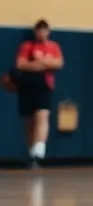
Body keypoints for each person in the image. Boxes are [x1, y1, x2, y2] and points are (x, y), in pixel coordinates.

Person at [13, 20, 63, 167]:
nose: (42, 33)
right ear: (35, 32)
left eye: (44, 30)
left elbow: (58, 63)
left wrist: (40, 62)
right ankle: (31, 153)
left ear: (48, 32)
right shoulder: (27, 46)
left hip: (44, 85)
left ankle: (39, 150)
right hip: (27, 86)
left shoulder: (53, 47)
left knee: (42, 114)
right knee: (29, 120)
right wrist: (43, 63)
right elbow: (20, 64)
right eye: (39, 30)